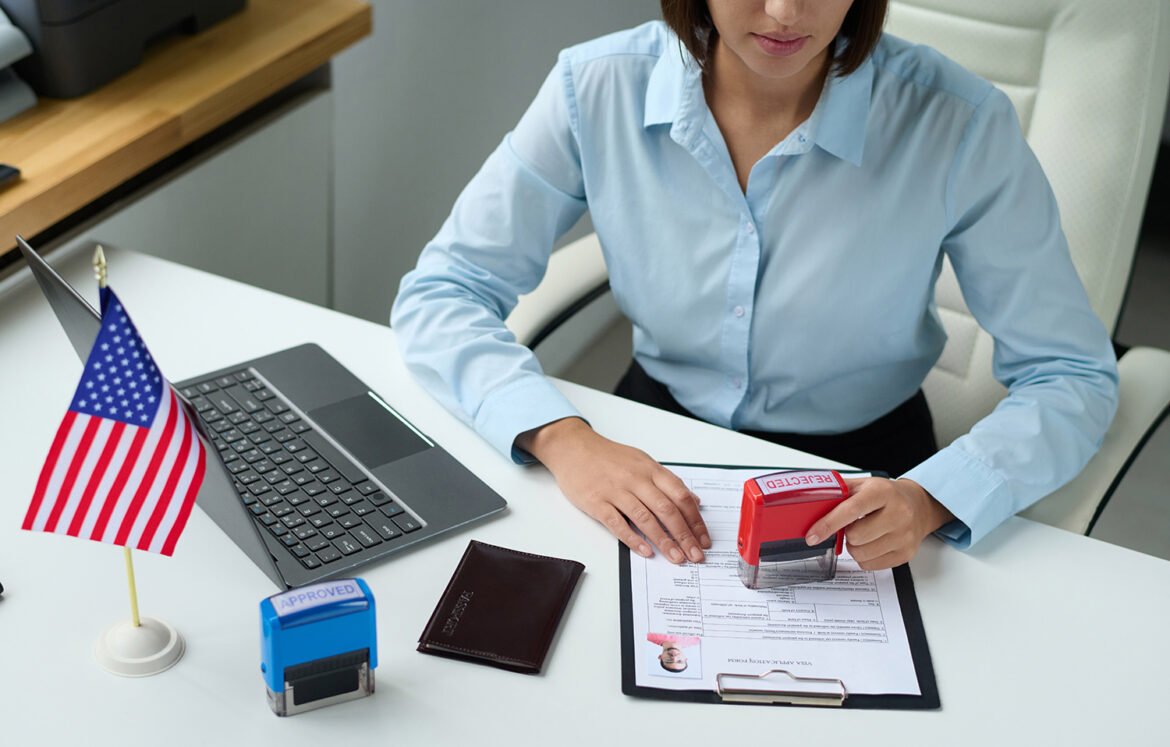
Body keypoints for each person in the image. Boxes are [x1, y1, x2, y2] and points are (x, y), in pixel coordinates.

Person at [390, 0, 1118, 571]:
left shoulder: (959, 124)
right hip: (647, 439)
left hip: (866, 476)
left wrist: (932, 497)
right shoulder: (598, 85)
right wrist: (562, 438)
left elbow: (1072, 374)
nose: (784, 13)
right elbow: (444, 290)